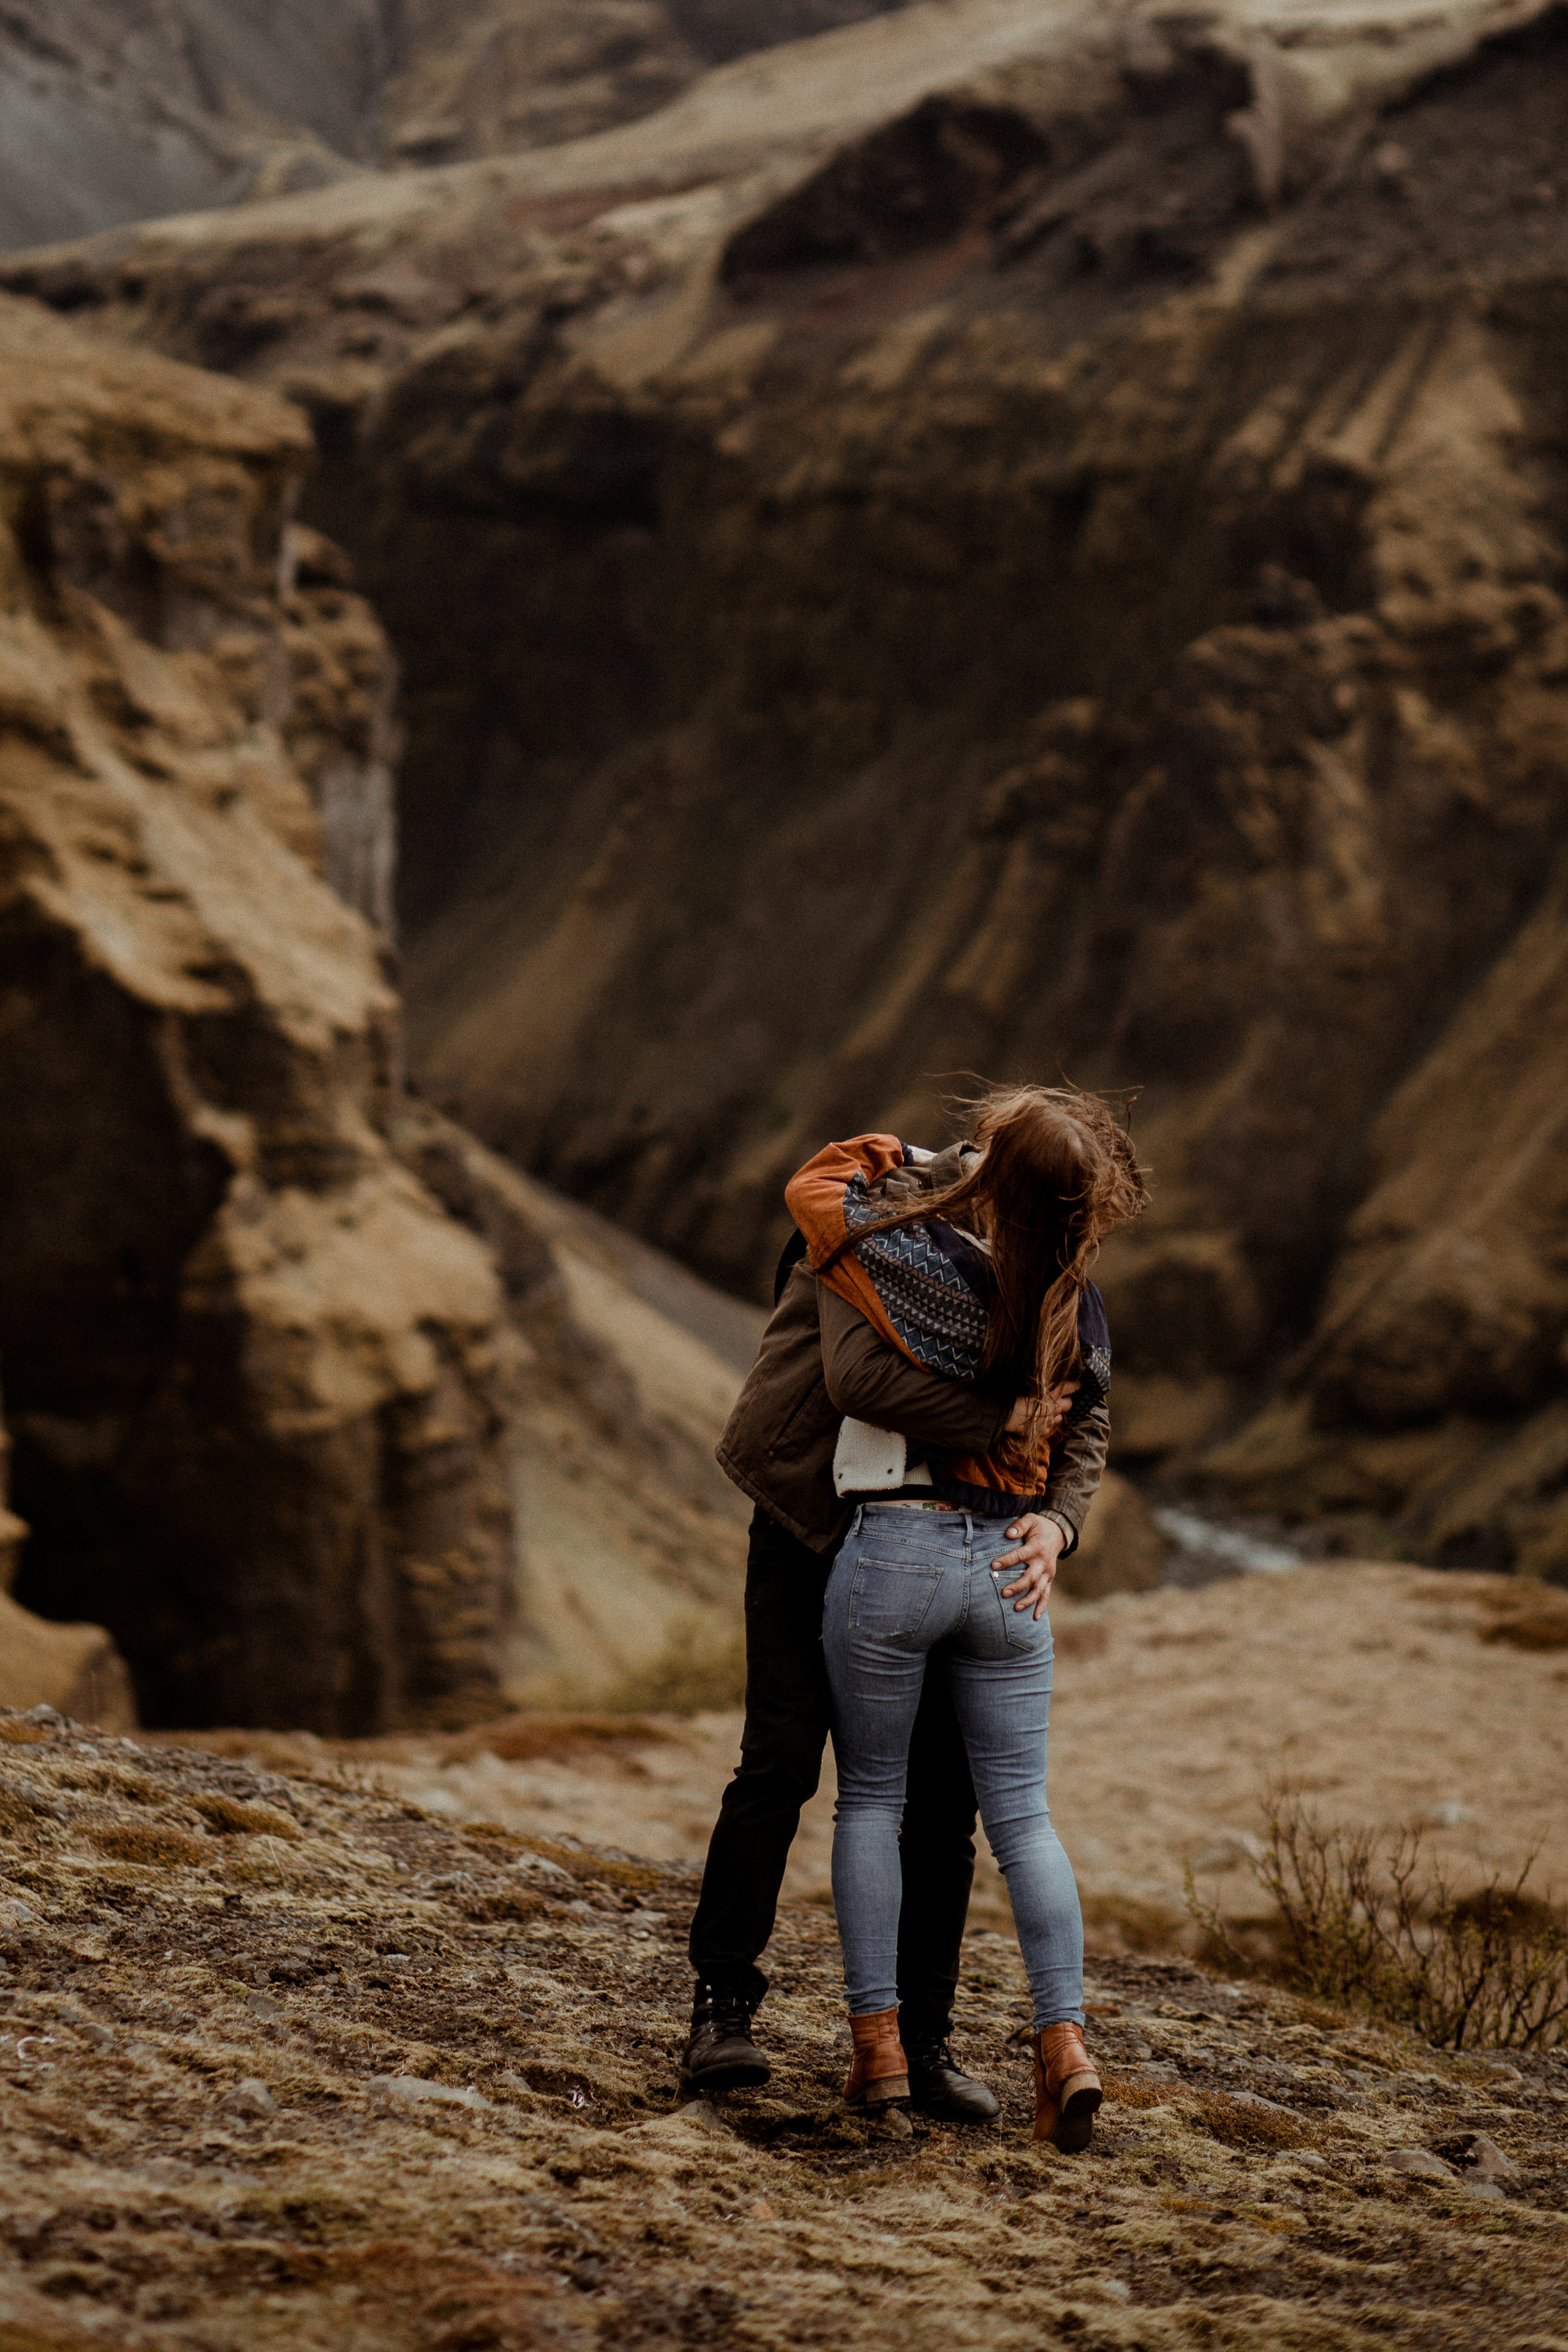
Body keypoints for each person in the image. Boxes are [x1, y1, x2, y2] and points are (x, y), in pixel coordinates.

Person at [680, 1109, 1116, 2124]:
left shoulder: (1046, 1247)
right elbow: (853, 1377)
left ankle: (920, 2045)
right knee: (783, 1763)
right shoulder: (879, 1224)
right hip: (812, 1516)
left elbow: (1087, 1405)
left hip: (937, 1540)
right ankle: (721, 2011)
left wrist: (1058, 1522)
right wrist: (1002, 1424)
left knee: (942, 1808)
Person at [787, 1085, 1148, 2147]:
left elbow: (816, 1193)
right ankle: (1064, 2043)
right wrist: (1053, 1527)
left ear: (993, 1177)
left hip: (898, 1549)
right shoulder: (1071, 1305)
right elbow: (1091, 1416)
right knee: (1024, 1820)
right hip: (1006, 1569)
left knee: (872, 1806)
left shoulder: (919, 1265)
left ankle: (881, 2050)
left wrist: (903, 1151)